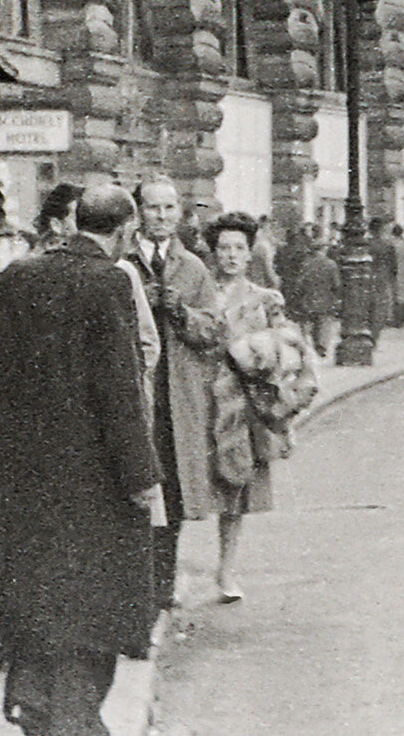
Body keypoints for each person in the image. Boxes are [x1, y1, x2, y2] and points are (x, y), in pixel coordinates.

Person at [0, 183, 159, 736]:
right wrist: (141, 476)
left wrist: (17, 415)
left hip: (19, 477)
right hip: (90, 481)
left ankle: (30, 702)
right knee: (90, 610)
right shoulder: (111, 281)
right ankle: (74, 720)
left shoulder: (22, 272)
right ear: (124, 230)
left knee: (36, 598)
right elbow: (119, 389)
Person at [201, 213, 316, 602]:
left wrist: (261, 353)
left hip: (242, 403)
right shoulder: (201, 294)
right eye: (223, 248)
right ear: (212, 253)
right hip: (202, 397)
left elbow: (292, 352)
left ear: (250, 254)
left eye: (238, 248)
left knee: (235, 490)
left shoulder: (266, 300)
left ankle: (226, 571)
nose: (231, 255)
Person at [128, 180, 227, 611]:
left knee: (172, 494)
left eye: (169, 208)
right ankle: (137, 585)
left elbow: (214, 331)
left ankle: (162, 585)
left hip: (179, 400)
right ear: (139, 212)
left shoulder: (193, 268)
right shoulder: (123, 261)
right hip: (138, 395)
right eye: (153, 208)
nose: (162, 216)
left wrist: (180, 311)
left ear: (180, 213)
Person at [286, 227, 341, 356]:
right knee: (324, 322)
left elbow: (299, 282)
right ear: (323, 249)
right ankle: (321, 346)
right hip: (326, 298)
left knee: (311, 322)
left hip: (309, 298)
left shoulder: (306, 263)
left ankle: (313, 344)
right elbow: (336, 283)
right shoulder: (330, 264)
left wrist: (297, 294)